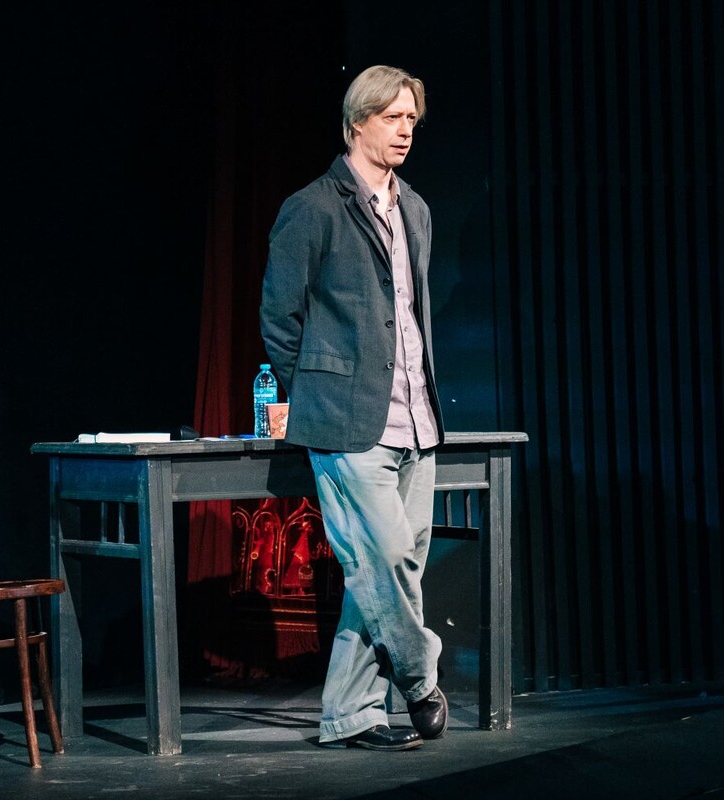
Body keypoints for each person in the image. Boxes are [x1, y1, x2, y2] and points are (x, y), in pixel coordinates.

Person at [259, 65, 448, 752]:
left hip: (415, 418)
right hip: (348, 421)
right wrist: (316, 391)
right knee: (387, 560)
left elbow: (411, 315)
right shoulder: (313, 207)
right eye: (392, 117)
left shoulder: (415, 209)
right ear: (357, 122)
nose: (405, 130)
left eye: (411, 119)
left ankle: (351, 713)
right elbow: (279, 316)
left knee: (387, 572)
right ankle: (421, 676)